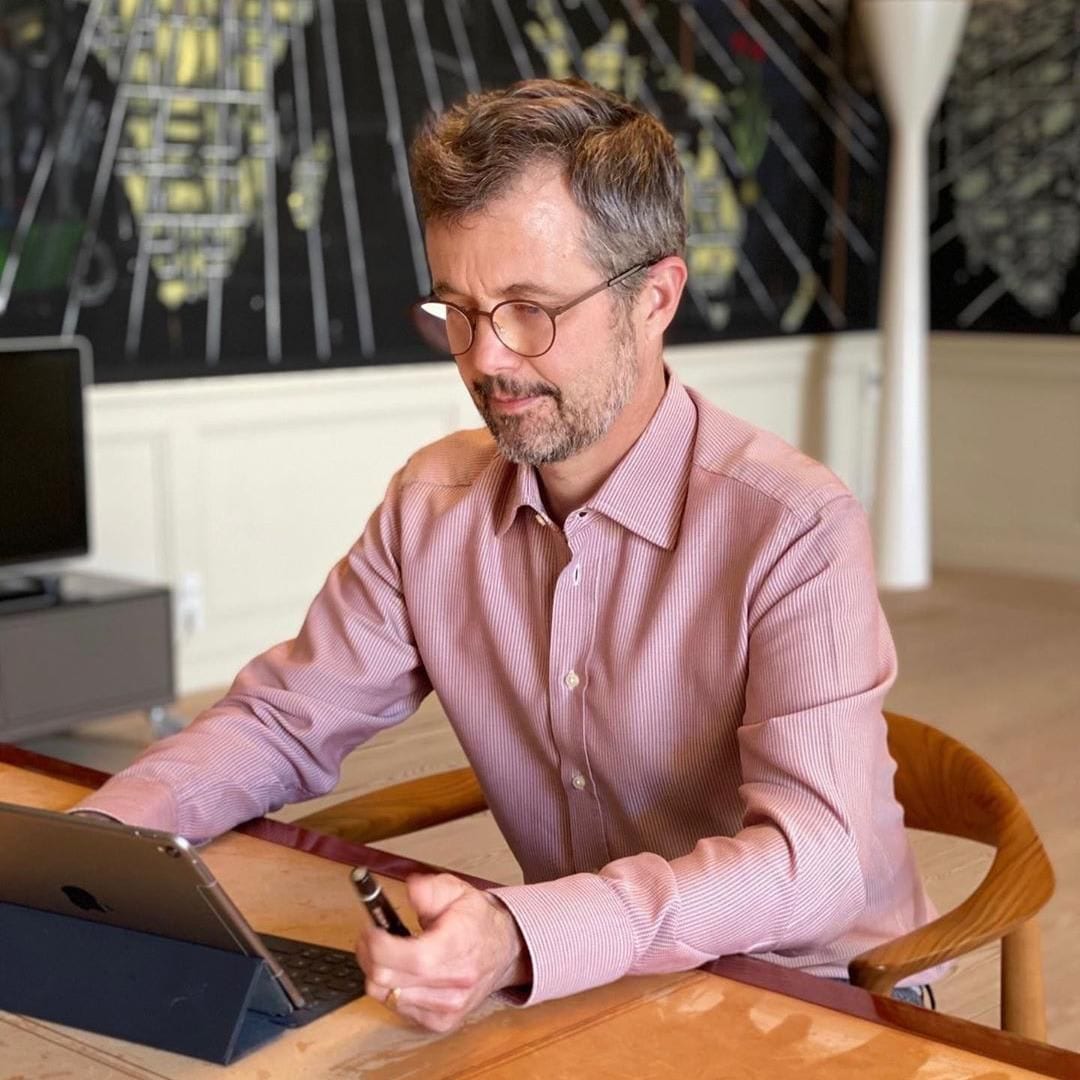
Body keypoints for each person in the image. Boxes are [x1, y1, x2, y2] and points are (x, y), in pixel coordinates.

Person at [74, 78, 942, 1031]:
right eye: (458, 310)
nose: (485, 360)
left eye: (530, 308)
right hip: (593, 976)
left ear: (654, 296)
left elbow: (813, 861)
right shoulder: (430, 503)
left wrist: (527, 936)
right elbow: (284, 722)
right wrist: (102, 842)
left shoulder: (793, 524)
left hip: (814, 992)